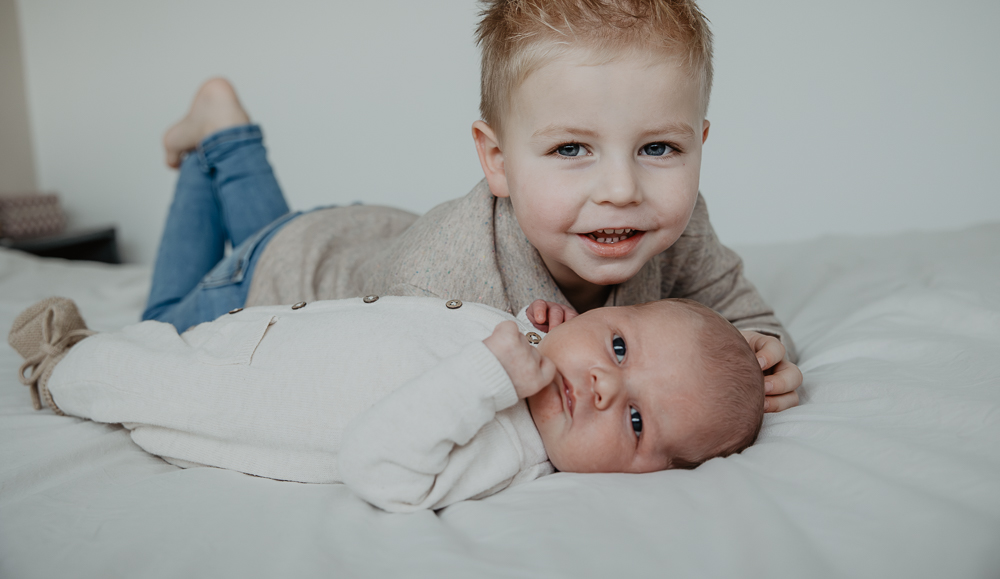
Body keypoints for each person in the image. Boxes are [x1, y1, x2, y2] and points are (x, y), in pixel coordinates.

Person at [144, 0, 802, 412]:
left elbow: (744, 312)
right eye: (573, 148)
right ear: (497, 161)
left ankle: (222, 125)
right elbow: (412, 409)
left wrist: (760, 352)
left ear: (700, 144)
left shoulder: (677, 226)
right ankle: (218, 140)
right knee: (155, 336)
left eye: (658, 148)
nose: (622, 189)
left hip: (365, 230)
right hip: (281, 278)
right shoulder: (443, 284)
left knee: (273, 228)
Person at [9, 292, 764, 512]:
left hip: (244, 390)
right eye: (620, 347)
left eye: (635, 420)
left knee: (136, 381)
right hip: (273, 329)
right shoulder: (536, 347)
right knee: (173, 341)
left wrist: (493, 377)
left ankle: (58, 361)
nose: (603, 383)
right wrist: (537, 341)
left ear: (651, 475)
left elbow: (378, 464)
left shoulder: (508, 453)